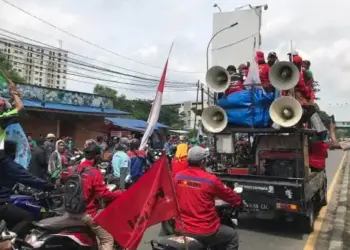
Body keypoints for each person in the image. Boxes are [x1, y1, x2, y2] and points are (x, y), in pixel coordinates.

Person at [174, 146, 242, 250]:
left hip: (181, 228)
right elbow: (228, 194)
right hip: (204, 230)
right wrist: (239, 201)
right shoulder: (210, 179)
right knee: (232, 236)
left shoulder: (177, 177)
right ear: (202, 162)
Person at [68, 139, 123, 250]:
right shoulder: (94, 172)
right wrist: (119, 193)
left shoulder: (75, 169)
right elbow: (104, 194)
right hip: (87, 213)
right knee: (107, 239)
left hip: (71, 210)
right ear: (97, 156)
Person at [0, 140, 54, 238]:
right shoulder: (8, 164)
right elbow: (29, 179)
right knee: (28, 217)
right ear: (13, 152)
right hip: (1, 204)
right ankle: (11, 244)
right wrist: (50, 186)